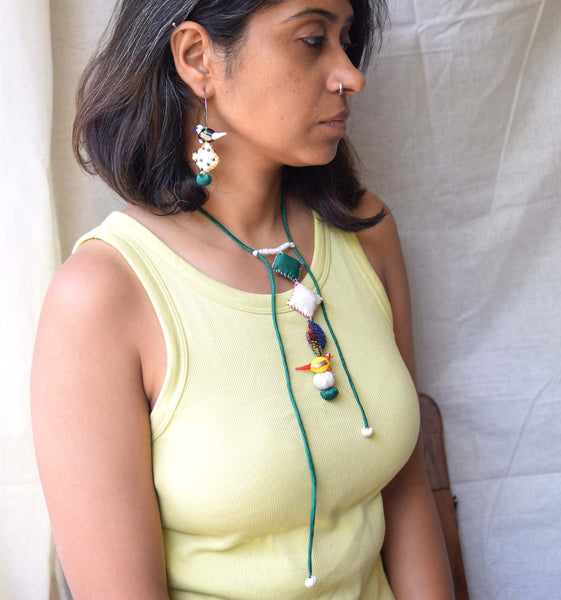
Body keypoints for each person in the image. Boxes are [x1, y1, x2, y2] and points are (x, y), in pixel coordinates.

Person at [31, 0, 455, 598]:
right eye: (312, 39)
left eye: (347, 40)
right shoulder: (103, 298)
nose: (351, 76)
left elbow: (404, 487)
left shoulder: (366, 232)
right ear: (197, 58)